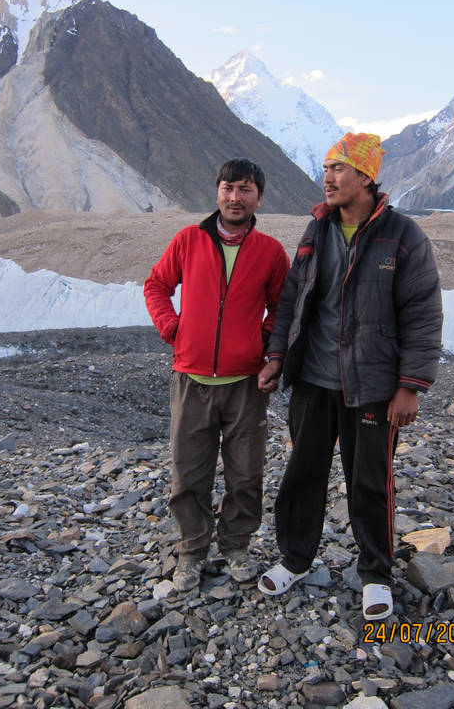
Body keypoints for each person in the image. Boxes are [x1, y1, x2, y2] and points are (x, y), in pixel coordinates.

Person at [256, 132, 443, 619]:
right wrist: (277, 357)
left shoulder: (403, 235)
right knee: (303, 475)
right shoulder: (315, 230)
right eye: (325, 168)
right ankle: (295, 559)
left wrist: (410, 387)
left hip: (374, 389)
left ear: (365, 176)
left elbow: (422, 315)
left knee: (370, 482)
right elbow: (292, 302)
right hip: (313, 382)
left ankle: (376, 573)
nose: (327, 178)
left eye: (338, 168)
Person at [144, 159, 289, 591]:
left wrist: (265, 347)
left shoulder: (269, 252)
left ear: (258, 198)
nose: (235, 197)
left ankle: (236, 545)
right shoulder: (189, 240)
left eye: (246, 189)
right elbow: (156, 286)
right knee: (189, 472)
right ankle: (191, 550)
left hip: (245, 384)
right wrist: (174, 328)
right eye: (229, 187)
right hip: (191, 380)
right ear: (217, 192)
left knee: (246, 473)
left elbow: (283, 309)